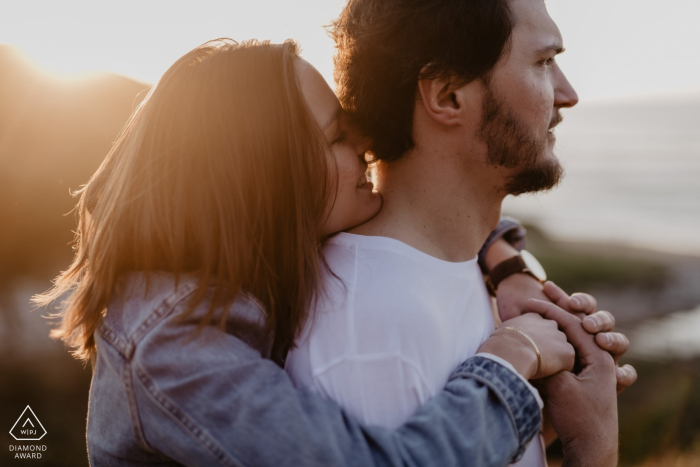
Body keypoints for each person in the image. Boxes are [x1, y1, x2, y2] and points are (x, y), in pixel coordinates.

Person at [35, 39, 624, 467]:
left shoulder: (258, 260)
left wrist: (507, 269)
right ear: (263, 179)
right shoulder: (174, 349)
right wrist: (512, 358)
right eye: (337, 138)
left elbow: (456, 219)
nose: (366, 144)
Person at [285, 0, 636, 466]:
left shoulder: (466, 267)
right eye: (544, 62)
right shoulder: (369, 332)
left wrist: (548, 421)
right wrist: (594, 445)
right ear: (448, 95)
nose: (567, 93)